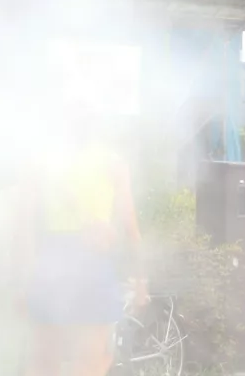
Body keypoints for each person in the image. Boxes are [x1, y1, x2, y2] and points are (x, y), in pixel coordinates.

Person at [13, 110, 148, 376]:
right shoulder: (113, 163)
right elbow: (131, 228)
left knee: (43, 363)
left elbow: (23, 227)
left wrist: (24, 282)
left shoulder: (41, 162)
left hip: (51, 263)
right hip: (92, 263)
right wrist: (141, 281)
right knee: (91, 363)